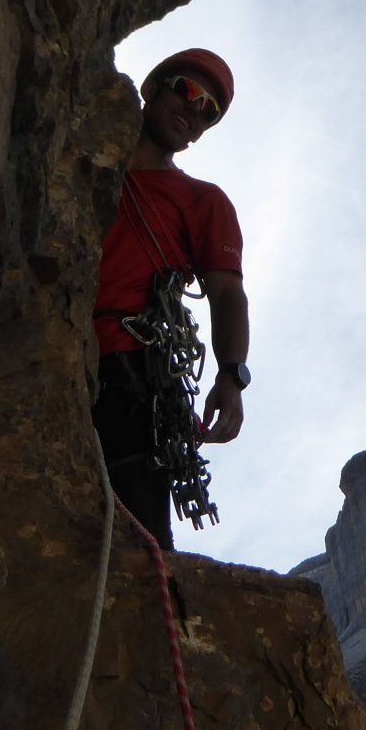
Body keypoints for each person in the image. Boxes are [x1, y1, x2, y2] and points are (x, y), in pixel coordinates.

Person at [91, 48, 250, 548]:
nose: (196, 112)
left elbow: (227, 293)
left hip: (131, 374)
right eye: (189, 91)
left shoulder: (203, 202)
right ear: (153, 87)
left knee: (139, 538)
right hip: (54, 344)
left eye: (211, 112)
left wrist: (231, 374)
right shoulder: (81, 151)